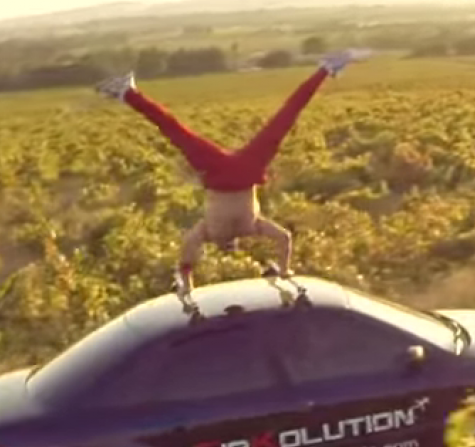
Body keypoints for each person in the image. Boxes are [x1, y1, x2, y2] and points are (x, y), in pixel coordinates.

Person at [94, 49, 368, 296]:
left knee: (175, 131)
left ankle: (128, 92)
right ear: (236, 245)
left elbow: (188, 251)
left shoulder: (207, 233)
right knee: (285, 118)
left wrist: (187, 281)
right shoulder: (253, 226)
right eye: (232, 247)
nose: (229, 246)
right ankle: (326, 68)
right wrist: (284, 270)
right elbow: (284, 238)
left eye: (226, 248)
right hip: (247, 170)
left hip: (217, 172)